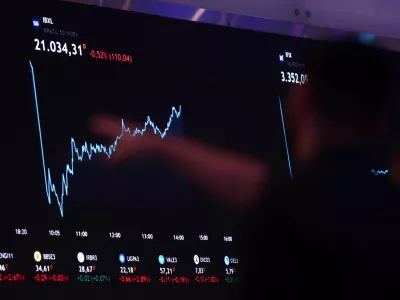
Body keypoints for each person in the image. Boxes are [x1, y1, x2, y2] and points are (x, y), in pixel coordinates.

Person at [91, 39, 399, 297]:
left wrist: (157, 145)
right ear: (378, 123)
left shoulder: (283, 220)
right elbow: (261, 186)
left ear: (301, 100)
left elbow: (271, 195)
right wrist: (160, 144)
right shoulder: (385, 210)